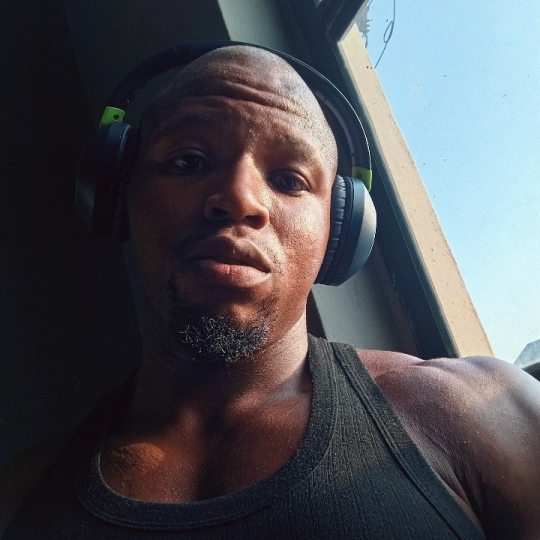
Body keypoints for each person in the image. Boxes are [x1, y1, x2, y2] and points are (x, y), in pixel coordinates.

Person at [2, 44, 540, 539]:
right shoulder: (17, 498)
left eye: (289, 180)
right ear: (117, 194)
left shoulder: (485, 413)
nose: (240, 198)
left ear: (339, 233)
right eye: (188, 161)